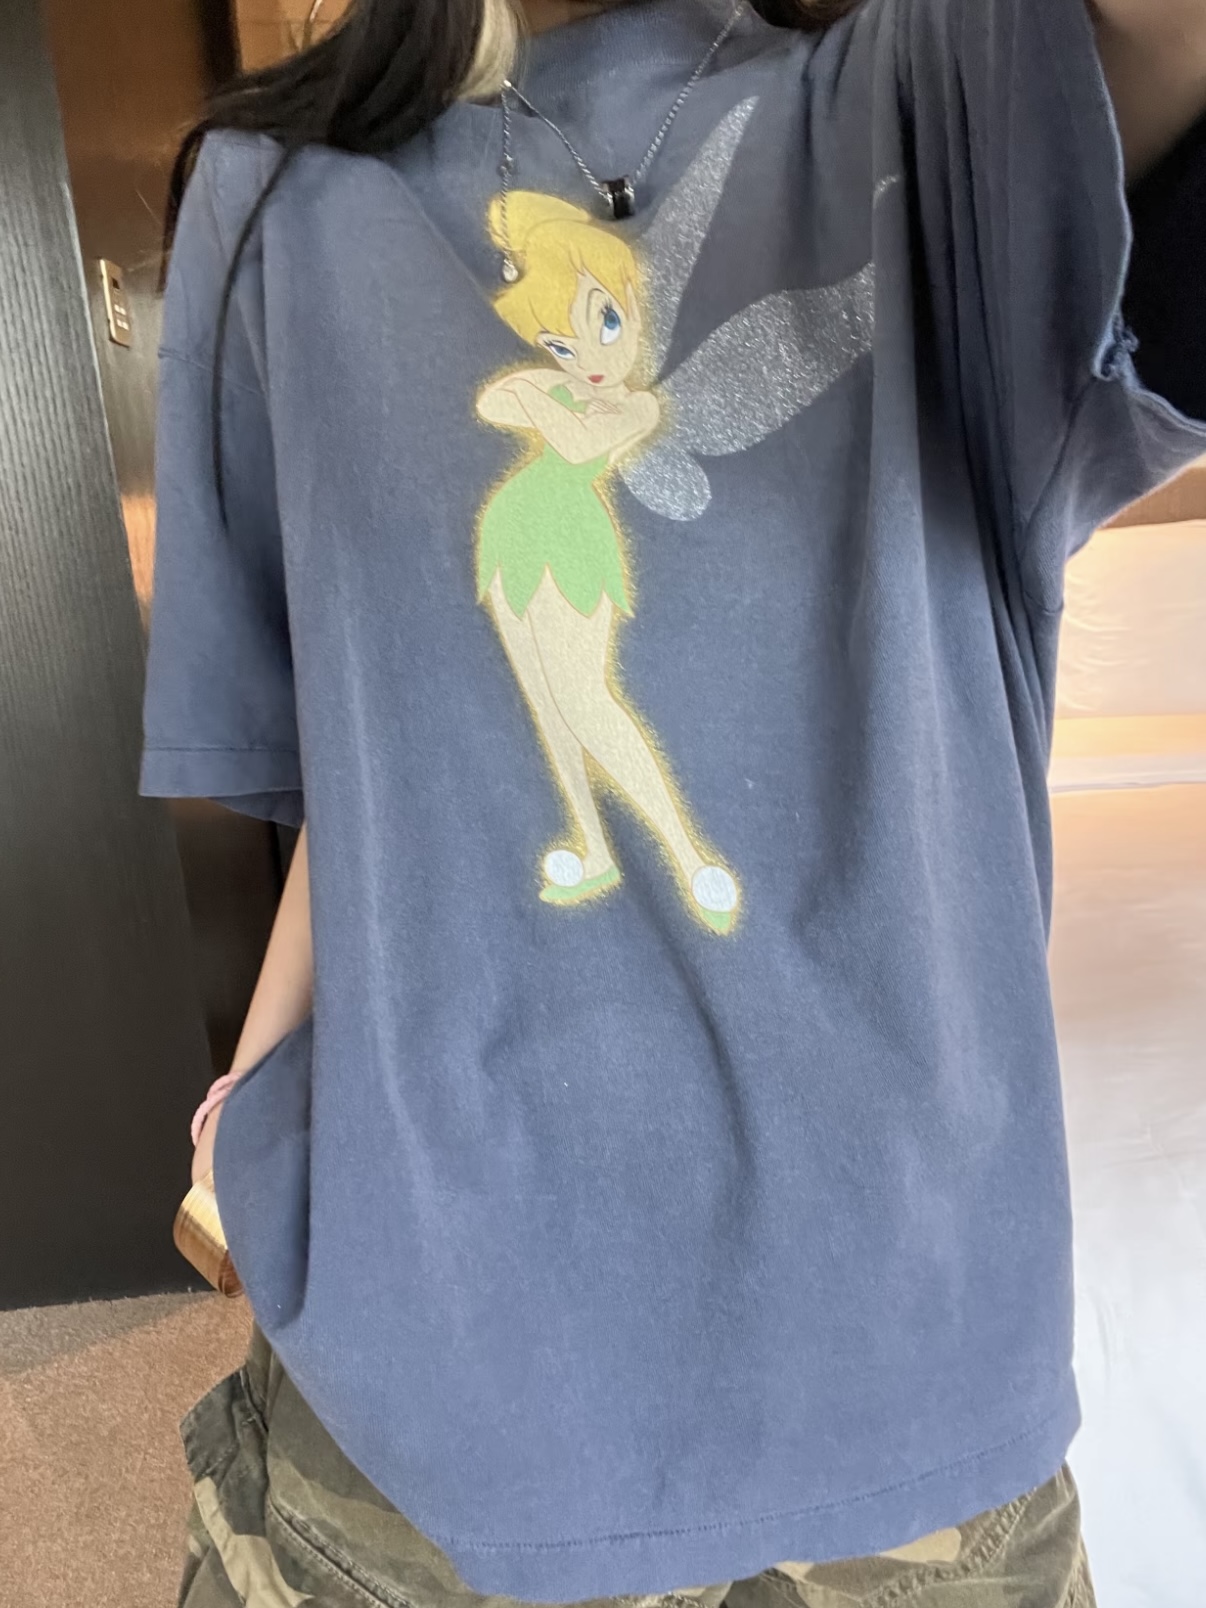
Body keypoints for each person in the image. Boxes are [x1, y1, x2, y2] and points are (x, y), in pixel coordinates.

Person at [138, 0, 1206, 1602]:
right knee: (574, 728)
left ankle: (669, 844)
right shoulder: (276, 195)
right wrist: (247, 1095)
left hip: (893, 1386)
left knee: (604, 724)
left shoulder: (937, 98)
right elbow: (377, 755)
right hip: (428, 1388)